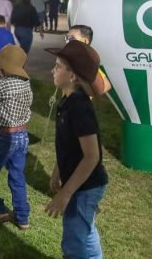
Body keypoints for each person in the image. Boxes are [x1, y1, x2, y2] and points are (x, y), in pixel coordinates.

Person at [45, 40, 109, 258]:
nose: (52, 70)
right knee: (84, 230)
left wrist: (66, 193)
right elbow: (68, 145)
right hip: (79, 182)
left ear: (72, 76)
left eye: (58, 67)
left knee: (74, 238)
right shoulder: (67, 102)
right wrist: (58, 171)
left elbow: (92, 156)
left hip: (86, 186)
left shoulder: (79, 107)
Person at [0, 45, 33, 230]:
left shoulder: (5, 85)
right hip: (22, 135)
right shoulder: (24, 83)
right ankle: (22, 217)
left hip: (6, 136)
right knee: (17, 175)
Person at [66, 25, 112, 95]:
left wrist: (83, 93)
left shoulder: (86, 62)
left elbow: (106, 86)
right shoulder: (72, 58)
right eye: (66, 38)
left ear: (85, 41)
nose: (67, 41)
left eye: (71, 38)